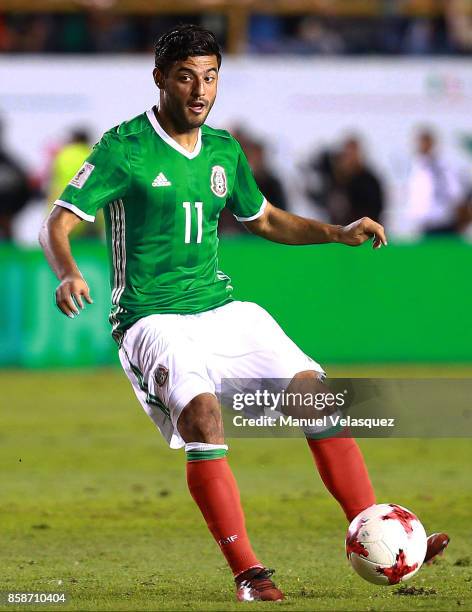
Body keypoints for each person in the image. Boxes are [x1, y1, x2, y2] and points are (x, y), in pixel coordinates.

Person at [39, 24, 449, 602]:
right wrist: (69, 271)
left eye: (209, 77)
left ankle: (376, 533)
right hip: (150, 318)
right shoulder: (123, 148)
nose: (199, 90)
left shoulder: (225, 150)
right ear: (160, 79)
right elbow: (56, 223)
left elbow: (265, 220)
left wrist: (337, 230)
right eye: (186, 77)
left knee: (315, 394)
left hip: (220, 307)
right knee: (204, 417)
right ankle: (249, 574)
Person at [406, 128, 464, 235]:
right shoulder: (416, 166)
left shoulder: (443, 166)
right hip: (424, 222)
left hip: (443, 220)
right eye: (421, 143)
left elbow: (455, 192)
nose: (423, 146)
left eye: (426, 142)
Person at [0, 117, 31, 240]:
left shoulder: (10, 163)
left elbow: (25, 187)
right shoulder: (11, 163)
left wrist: (10, 213)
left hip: (8, 211)